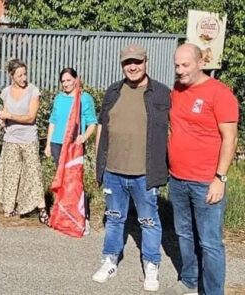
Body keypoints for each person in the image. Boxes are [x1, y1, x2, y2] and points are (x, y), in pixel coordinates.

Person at [90, 45, 171, 292]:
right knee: (114, 219)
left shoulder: (161, 93)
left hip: (145, 173)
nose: (132, 66)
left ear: (146, 61)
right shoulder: (113, 92)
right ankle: (110, 259)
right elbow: (102, 127)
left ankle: (151, 264)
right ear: (122, 65)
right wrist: (98, 164)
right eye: (127, 63)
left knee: (149, 220)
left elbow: (174, 130)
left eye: (137, 61)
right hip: (114, 170)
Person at [163, 43, 239, 295]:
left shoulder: (220, 93)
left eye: (185, 65)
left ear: (200, 63)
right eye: (176, 65)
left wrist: (220, 178)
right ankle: (190, 281)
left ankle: (213, 291)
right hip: (177, 179)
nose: (180, 70)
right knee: (184, 234)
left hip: (206, 181)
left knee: (210, 243)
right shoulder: (176, 90)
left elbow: (230, 138)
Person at [0, 59, 48, 224]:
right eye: (19, 75)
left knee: (33, 173)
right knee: (10, 173)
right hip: (10, 138)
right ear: (11, 76)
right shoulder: (6, 92)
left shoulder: (33, 91)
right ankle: (9, 206)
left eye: (25, 74)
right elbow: (5, 113)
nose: (23, 78)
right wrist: (1, 121)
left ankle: (42, 209)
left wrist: (9, 116)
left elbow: (31, 118)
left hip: (28, 139)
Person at [45, 68, 98, 166]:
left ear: (76, 80)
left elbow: (92, 123)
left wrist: (84, 137)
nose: (65, 84)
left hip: (73, 144)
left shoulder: (85, 98)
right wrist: (48, 145)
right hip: (56, 143)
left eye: (68, 80)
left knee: (72, 176)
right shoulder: (58, 98)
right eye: (63, 81)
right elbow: (53, 122)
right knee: (60, 175)